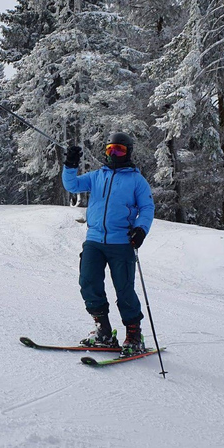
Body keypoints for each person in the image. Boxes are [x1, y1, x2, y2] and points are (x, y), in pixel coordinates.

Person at [62, 132, 155, 357]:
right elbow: (72, 185)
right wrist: (70, 164)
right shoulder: (96, 176)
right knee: (88, 282)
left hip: (121, 242)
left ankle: (134, 335)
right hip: (94, 239)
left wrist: (141, 229)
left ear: (128, 152)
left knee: (124, 289)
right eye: (110, 149)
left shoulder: (136, 180)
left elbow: (147, 208)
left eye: (119, 150)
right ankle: (103, 331)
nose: (114, 154)